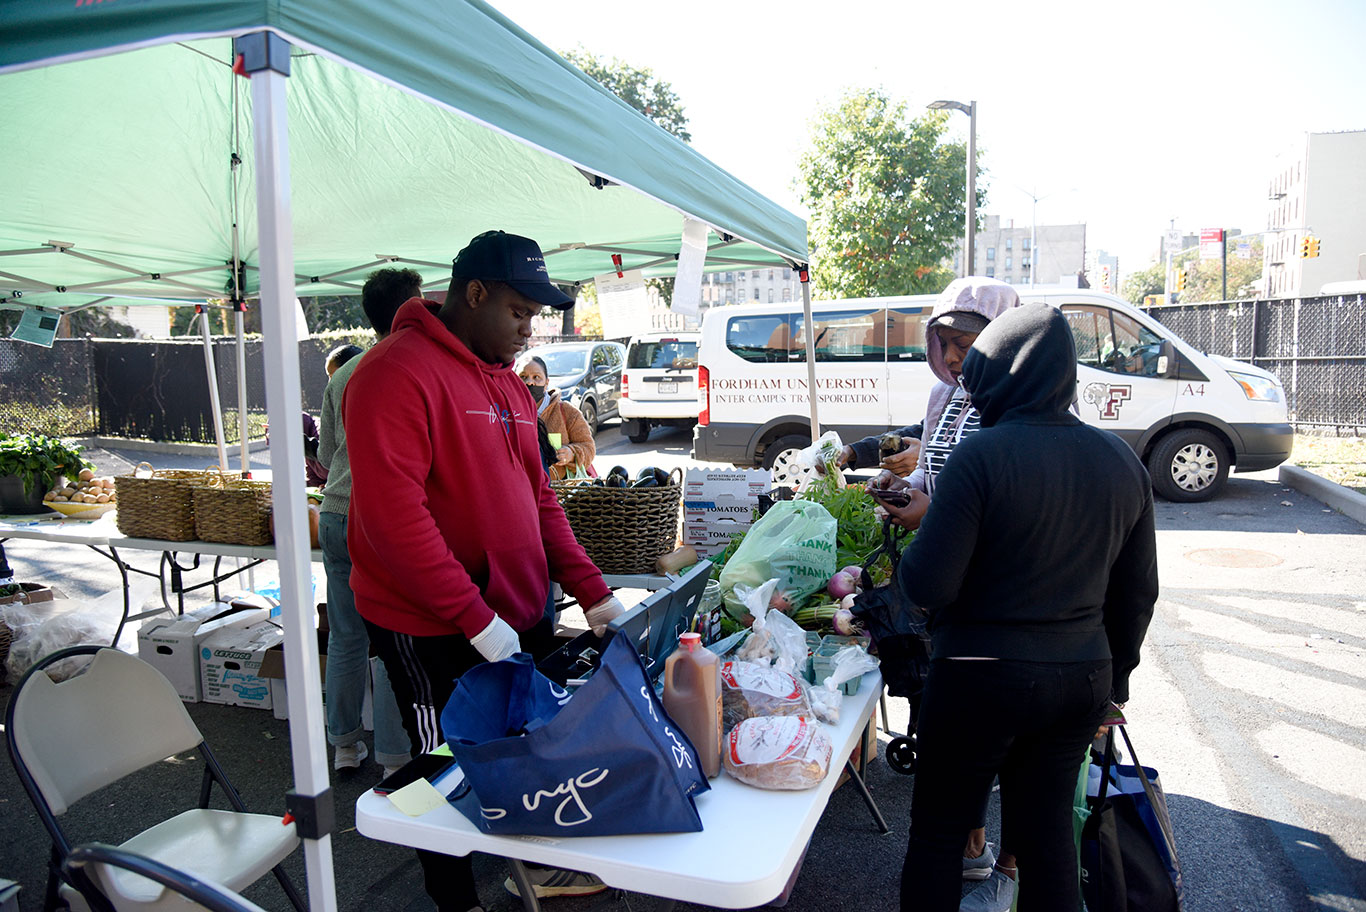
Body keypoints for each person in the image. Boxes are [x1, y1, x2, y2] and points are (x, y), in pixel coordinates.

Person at [343, 230, 626, 912]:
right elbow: (394, 521)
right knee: (434, 765)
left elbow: (537, 499)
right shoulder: (392, 373)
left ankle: (523, 868)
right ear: (474, 295)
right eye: (519, 313)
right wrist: (475, 619)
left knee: (517, 749)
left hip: (515, 612)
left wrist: (592, 590)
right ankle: (452, 896)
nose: (529, 331)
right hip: (431, 626)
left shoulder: (505, 382)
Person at [894, 302, 1158, 912]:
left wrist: (911, 541)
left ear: (998, 373)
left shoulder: (980, 457)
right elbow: (1137, 591)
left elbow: (928, 585)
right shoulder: (1121, 460)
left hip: (977, 677)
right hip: (1080, 678)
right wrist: (1114, 684)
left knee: (938, 835)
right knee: (1047, 842)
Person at [871, 277, 1023, 908]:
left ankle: (1012, 869)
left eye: (968, 341)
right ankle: (972, 841)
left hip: (996, 600)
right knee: (949, 727)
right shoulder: (943, 397)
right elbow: (936, 473)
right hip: (941, 592)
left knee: (1010, 744)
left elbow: (1004, 515)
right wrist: (903, 491)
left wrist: (929, 514)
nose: (955, 356)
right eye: (945, 342)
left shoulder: (1017, 403)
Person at [316, 268, 422, 779]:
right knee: (392, 637)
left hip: (333, 513)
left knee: (346, 635)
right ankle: (395, 758)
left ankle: (342, 745)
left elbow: (326, 452)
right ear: (414, 306)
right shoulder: (410, 365)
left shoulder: (343, 373)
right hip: (377, 521)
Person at [518, 355, 595, 480]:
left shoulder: (567, 412)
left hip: (560, 493)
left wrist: (571, 453)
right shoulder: (506, 415)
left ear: (546, 382)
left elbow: (588, 447)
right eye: (523, 377)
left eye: (536, 377)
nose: (530, 382)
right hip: (523, 491)